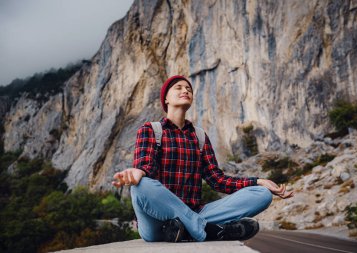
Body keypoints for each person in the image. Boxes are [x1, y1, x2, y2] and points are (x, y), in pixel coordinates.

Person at [112, 75, 294, 243]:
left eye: (189, 89)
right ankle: (209, 230)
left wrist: (259, 181)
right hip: (156, 223)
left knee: (261, 194)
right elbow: (146, 164)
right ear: (166, 99)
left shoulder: (199, 137)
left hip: (195, 212)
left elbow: (218, 180)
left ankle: (189, 228)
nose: (185, 91)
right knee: (141, 186)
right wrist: (138, 172)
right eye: (178, 88)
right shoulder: (151, 129)